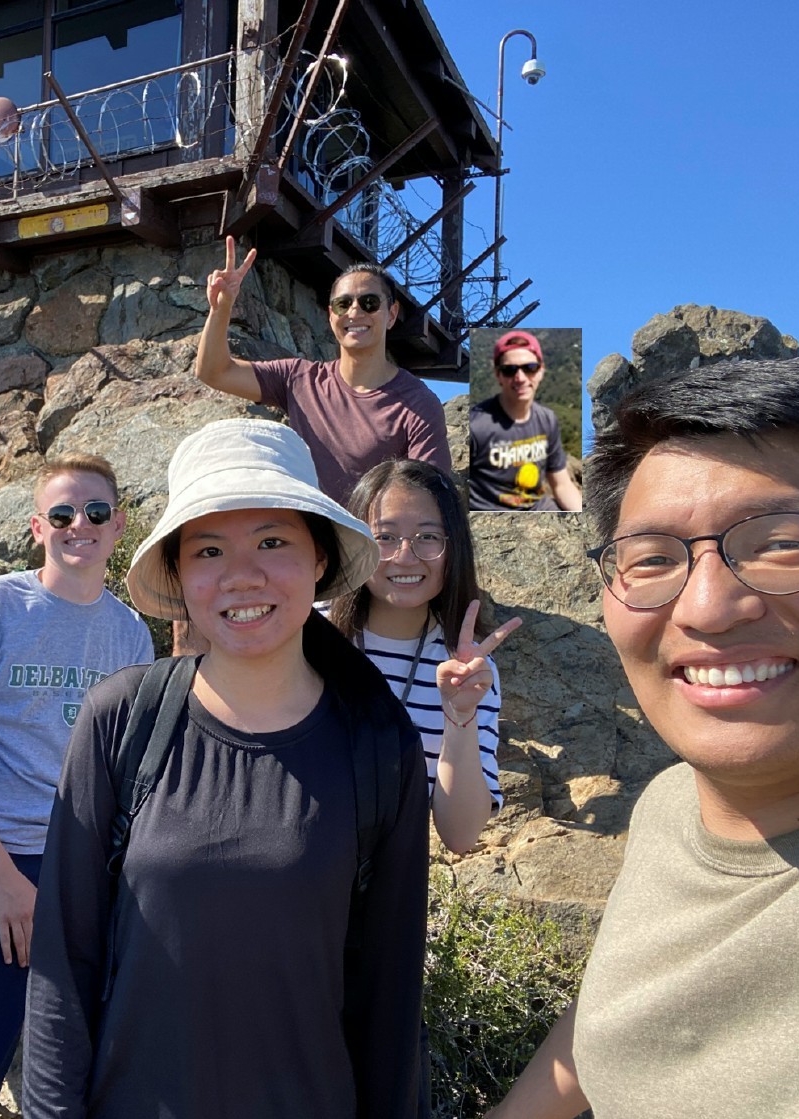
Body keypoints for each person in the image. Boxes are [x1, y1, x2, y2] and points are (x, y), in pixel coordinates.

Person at [487, 359, 799, 1119]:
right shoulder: (668, 805)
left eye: (786, 542)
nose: (708, 608)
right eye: (652, 558)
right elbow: (621, 1007)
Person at [24, 419, 431, 1119]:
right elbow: (62, 965)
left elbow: (390, 998)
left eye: (273, 540)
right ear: (181, 575)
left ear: (320, 560)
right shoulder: (121, 721)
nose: (242, 575)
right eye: (209, 549)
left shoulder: (378, 744)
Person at [0, 453, 153, 1119]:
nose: (81, 525)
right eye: (64, 513)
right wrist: (1, 876)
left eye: (96, 512)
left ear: (119, 524)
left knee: (81, 1071)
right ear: (38, 526)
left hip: (82, 864)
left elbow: (126, 768)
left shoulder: (129, 633)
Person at [329, 460, 521, 853]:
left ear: (454, 548)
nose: (405, 556)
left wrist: (460, 715)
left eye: (428, 537)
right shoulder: (308, 633)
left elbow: (460, 835)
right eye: (384, 536)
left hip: (381, 891)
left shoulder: (468, 671)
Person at [193, 236, 451, 505]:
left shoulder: (419, 404)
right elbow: (215, 372)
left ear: (392, 314)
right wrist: (221, 309)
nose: (355, 311)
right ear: (331, 315)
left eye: (370, 303)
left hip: (373, 544)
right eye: (343, 304)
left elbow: (429, 501)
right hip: (308, 540)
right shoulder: (297, 379)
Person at [468, 330, 582, 512]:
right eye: (509, 370)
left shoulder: (546, 419)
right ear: (498, 375)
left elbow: (561, 485)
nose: (520, 378)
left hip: (542, 511)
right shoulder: (476, 425)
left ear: (541, 371)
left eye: (529, 368)